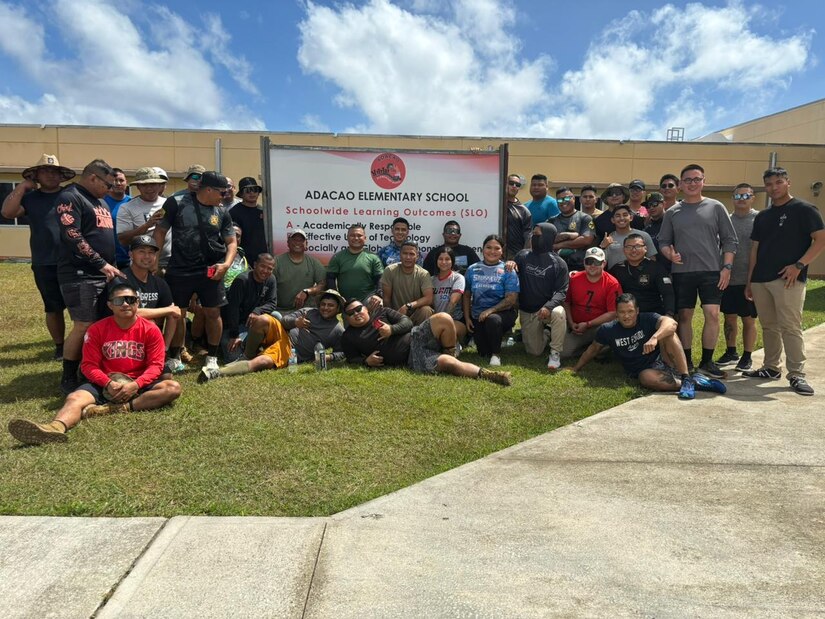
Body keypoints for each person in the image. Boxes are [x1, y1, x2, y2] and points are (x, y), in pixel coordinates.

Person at [7, 283, 181, 445]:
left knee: (172, 388)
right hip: (105, 383)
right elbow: (88, 365)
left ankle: (117, 408)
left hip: (138, 382)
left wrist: (136, 385)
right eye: (119, 300)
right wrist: (108, 383)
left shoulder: (151, 329)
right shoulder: (97, 329)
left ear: (138, 303)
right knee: (75, 398)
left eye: (131, 299)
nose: (125, 304)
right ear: (110, 305)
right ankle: (54, 428)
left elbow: (156, 365)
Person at [744, 167, 825, 395]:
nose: (774, 188)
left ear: (788, 182)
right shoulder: (763, 216)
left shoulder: (805, 209)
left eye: (778, 182)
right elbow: (755, 249)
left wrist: (799, 265)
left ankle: (797, 374)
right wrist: (750, 281)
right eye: (769, 184)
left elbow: (820, 239)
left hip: (788, 279)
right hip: (761, 279)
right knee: (769, 326)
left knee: (790, 326)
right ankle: (771, 367)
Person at [658, 164, 738, 377]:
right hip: (682, 272)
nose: (692, 183)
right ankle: (686, 361)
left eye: (696, 179)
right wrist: (669, 254)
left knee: (712, 314)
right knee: (684, 316)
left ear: (704, 181)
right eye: (688, 180)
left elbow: (730, 240)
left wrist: (727, 267)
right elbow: (663, 241)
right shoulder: (672, 212)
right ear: (681, 184)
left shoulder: (716, 207)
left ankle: (707, 361)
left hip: (711, 271)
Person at [154, 171, 237, 373]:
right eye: (222, 192)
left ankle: (212, 357)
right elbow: (160, 231)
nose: (225, 196)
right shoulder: (176, 203)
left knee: (213, 312)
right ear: (208, 190)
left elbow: (231, 242)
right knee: (177, 313)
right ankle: (174, 356)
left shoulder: (222, 211)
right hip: (179, 268)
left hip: (211, 269)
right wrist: (154, 261)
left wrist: (226, 265)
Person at [570, 293, 725, 399]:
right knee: (645, 378)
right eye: (622, 312)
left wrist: (655, 338)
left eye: (630, 311)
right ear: (616, 313)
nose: (626, 316)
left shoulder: (647, 318)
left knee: (668, 332)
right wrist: (576, 368)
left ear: (637, 311)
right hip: (645, 371)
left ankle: (685, 376)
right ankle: (693, 383)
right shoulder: (608, 330)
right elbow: (593, 349)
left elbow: (672, 323)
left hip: (666, 360)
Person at [55, 159, 124, 395]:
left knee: (102, 324)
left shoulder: (100, 201)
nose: (111, 189)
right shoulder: (70, 197)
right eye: (108, 184)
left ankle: (91, 370)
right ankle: (68, 376)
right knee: (84, 324)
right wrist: (100, 263)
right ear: (93, 177)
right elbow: (72, 234)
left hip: (104, 273)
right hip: (80, 274)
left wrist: (110, 267)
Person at [1, 154, 75, 360]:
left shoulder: (71, 195)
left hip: (72, 259)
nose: (51, 175)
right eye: (45, 171)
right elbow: (7, 212)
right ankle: (60, 347)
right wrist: (23, 187)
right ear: (37, 175)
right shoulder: (31, 199)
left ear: (61, 175)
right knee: (53, 307)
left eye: (55, 171)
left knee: (80, 307)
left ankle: (81, 344)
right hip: (44, 261)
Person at [340, 298, 512, 385]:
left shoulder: (382, 312)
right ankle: (490, 375)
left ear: (365, 308)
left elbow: (407, 323)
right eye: (350, 313)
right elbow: (351, 358)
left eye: (358, 309)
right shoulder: (349, 336)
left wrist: (391, 329)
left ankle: (449, 351)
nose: (356, 313)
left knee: (443, 317)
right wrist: (366, 361)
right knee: (448, 363)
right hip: (413, 357)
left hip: (416, 335)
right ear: (346, 318)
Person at [116, 235, 182, 371]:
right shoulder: (121, 280)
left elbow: (173, 313)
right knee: (152, 321)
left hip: (147, 337)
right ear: (131, 254)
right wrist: (168, 310)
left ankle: (163, 352)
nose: (147, 256)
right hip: (121, 336)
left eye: (151, 252)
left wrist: (164, 347)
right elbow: (128, 312)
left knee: (165, 376)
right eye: (141, 251)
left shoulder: (159, 283)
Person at [512, 223, 568, 370]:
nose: (534, 237)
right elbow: (512, 274)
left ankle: (555, 353)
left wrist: (548, 306)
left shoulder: (559, 263)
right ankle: (547, 333)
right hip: (528, 310)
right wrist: (510, 263)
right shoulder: (523, 255)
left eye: (537, 234)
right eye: (533, 234)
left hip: (547, 309)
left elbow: (561, 291)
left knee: (559, 312)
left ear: (548, 237)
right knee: (534, 352)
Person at [717, 184, 759, 371]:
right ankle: (731, 351)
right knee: (729, 317)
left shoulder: (759, 219)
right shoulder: (726, 220)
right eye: (737, 196)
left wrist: (753, 279)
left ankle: (747, 356)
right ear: (732, 198)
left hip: (749, 279)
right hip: (727, 278)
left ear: (753, 198)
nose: (741, 199)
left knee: (748, 319)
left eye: (745, 196)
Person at [463, 234, 519, 366]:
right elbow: (466, 295)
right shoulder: (472, 269)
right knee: (483, 352)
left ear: (502, 251)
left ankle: (496, 355)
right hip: (478, 316)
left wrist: (490, 311)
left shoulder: (508, 270)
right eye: (488, 247)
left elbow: (511, 300)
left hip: (502, 314)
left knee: (493, 320)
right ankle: (493, 344)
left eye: (497, 248)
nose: (492, 251)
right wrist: (467, 318)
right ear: (482, 249)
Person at [562, 246, 621, 359]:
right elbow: (566, 302)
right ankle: (593, 349)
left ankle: (597, 348)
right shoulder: (574, 278)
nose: (592, 265)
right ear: (584, 262)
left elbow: (613, 313)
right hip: (576, 326)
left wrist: (588, 324)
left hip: (598, 327)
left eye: (597, 262)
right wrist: (571, 323)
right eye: (589, 261)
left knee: (610, 329)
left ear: (604, 263)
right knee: (564, 352)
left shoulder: (612, 283)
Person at [222, 253, 278, 363]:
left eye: (269, 269)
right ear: (255, 265)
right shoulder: (242, 280)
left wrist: (257, 311)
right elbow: (232, 310)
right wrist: (234, 335)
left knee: (276, 316)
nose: (265, 271)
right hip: (235, 325)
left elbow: (272, 303)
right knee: (232, 359)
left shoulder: (271, 279)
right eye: (263, 266)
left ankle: (255, 346)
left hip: (255, 323)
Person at [116, 167, 171, 268]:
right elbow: (123, 240)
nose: (149, 189)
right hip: (143, 264)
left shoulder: (169, 203)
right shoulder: (127, 207)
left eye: (152, 184)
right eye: (144, 185)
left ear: (159, 185)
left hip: (171, 262)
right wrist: (147, 225)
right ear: (138, 186)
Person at [609, 233, 675, 317]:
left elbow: (667, 293)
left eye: (638, 246)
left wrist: (669, 314)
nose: (633, 250)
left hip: (652, 314)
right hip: (626, 316)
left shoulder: (657, 268)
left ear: (645, 248)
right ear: (624, 250)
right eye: (629, 247)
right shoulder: (617, 269)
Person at [273, 228, 326, 315]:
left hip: (305, 311)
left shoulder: (314, 262)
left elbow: (322, 284)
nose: (297, 243)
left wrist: (307, 291)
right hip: (280, 310)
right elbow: (267, 284)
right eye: (294, 240)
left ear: (306, 244)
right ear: (288, 243)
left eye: (301, 240)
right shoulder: (277, 261)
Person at [326, 224, 384, 303]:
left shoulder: (373, 258)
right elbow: (330, 278)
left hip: (368, 298)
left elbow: (380, 279)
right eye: (352, 235)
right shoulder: (337, 257)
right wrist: (336, 297)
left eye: (359, 235)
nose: (356, 238)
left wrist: (378, 295)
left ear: (365, 238)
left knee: (378, 303)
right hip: (344, 300)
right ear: (347, 237)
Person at [380, 240, 434, 325]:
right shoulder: (390, 270)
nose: (408, 257)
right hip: (396, 315)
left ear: (417, 256)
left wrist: (408, 306)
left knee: (426, 310)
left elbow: (429, 298)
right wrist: (392, 318)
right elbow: (386, 299)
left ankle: (420, 333)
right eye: (405, 253)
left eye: (412, 254)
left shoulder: (423, 274)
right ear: (400, 255)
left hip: (415, 315)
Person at [598, 204, 657, 269]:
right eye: (618, 216)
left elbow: (652, 259)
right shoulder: (608, 238)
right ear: (613, 220)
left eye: (625, 215)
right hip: (614, 274)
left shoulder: (644, 236)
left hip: (640, 274)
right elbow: (600, 262)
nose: (622, 218)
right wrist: (602, 247)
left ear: (631, 217)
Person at [549, 186, 594, 271]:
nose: (563, 202)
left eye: (566, 198)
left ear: (573, 198)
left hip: (578, 266)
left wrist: (558, 245)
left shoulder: (585, 218)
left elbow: (586, 240)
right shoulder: (551, 221)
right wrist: (568, 235)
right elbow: (545, 240)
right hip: (555, 266)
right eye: (560, 200)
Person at [431, 246, 468, 342]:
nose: (444, 262)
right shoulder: (431, 280)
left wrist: (443, 321)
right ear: (436, 261)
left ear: (452, 261)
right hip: (435, 319)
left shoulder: (458, 278)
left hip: (455, 320)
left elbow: (453, 302)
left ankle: (456, 345)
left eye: (447, 259)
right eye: (440, 259)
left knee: (444, 333)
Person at [229, 177, 268, 262]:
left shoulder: (264, 211)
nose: (252, 193)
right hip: (242, 258)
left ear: (258, 193)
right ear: (241, 194)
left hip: (262, 259)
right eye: (247, 190)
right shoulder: (233, 212)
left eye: (255, 190)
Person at [103, 168, 132, 269]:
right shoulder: (100, 202)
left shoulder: (133, 203)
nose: (118, 183)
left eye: (121, 180)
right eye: (115, 180)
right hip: (106, 260)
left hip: (130, 259)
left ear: (126, 182)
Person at [505, 174, 532, 259]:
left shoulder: (524, 211)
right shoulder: (496, 204)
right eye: (511, 183)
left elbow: (528, 236)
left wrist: (524, 256)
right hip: (494, 252)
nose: (514, 186)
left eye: (517, 185)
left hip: (514, 255)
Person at [643, 192, 671, 272]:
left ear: (664, 204)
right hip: (653, 272)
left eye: (654, 204)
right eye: (648, 205)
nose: (651, 208)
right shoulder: (646, 228)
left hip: (673, 270)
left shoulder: (672, 223)